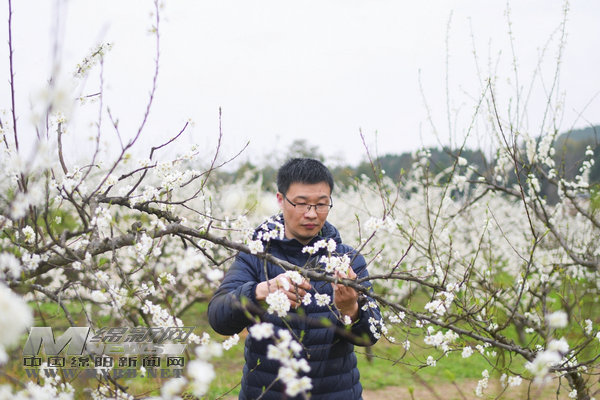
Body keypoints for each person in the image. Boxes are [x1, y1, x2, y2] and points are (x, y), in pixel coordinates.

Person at [208, 158, 381, 400]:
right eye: (301, 204)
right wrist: (259, 292)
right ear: (281, 200)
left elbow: (372, 334)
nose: (311, 214)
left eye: (321, 204)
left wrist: (351, 309)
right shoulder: (256, 255)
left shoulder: (347, 259)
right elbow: (219, 318)